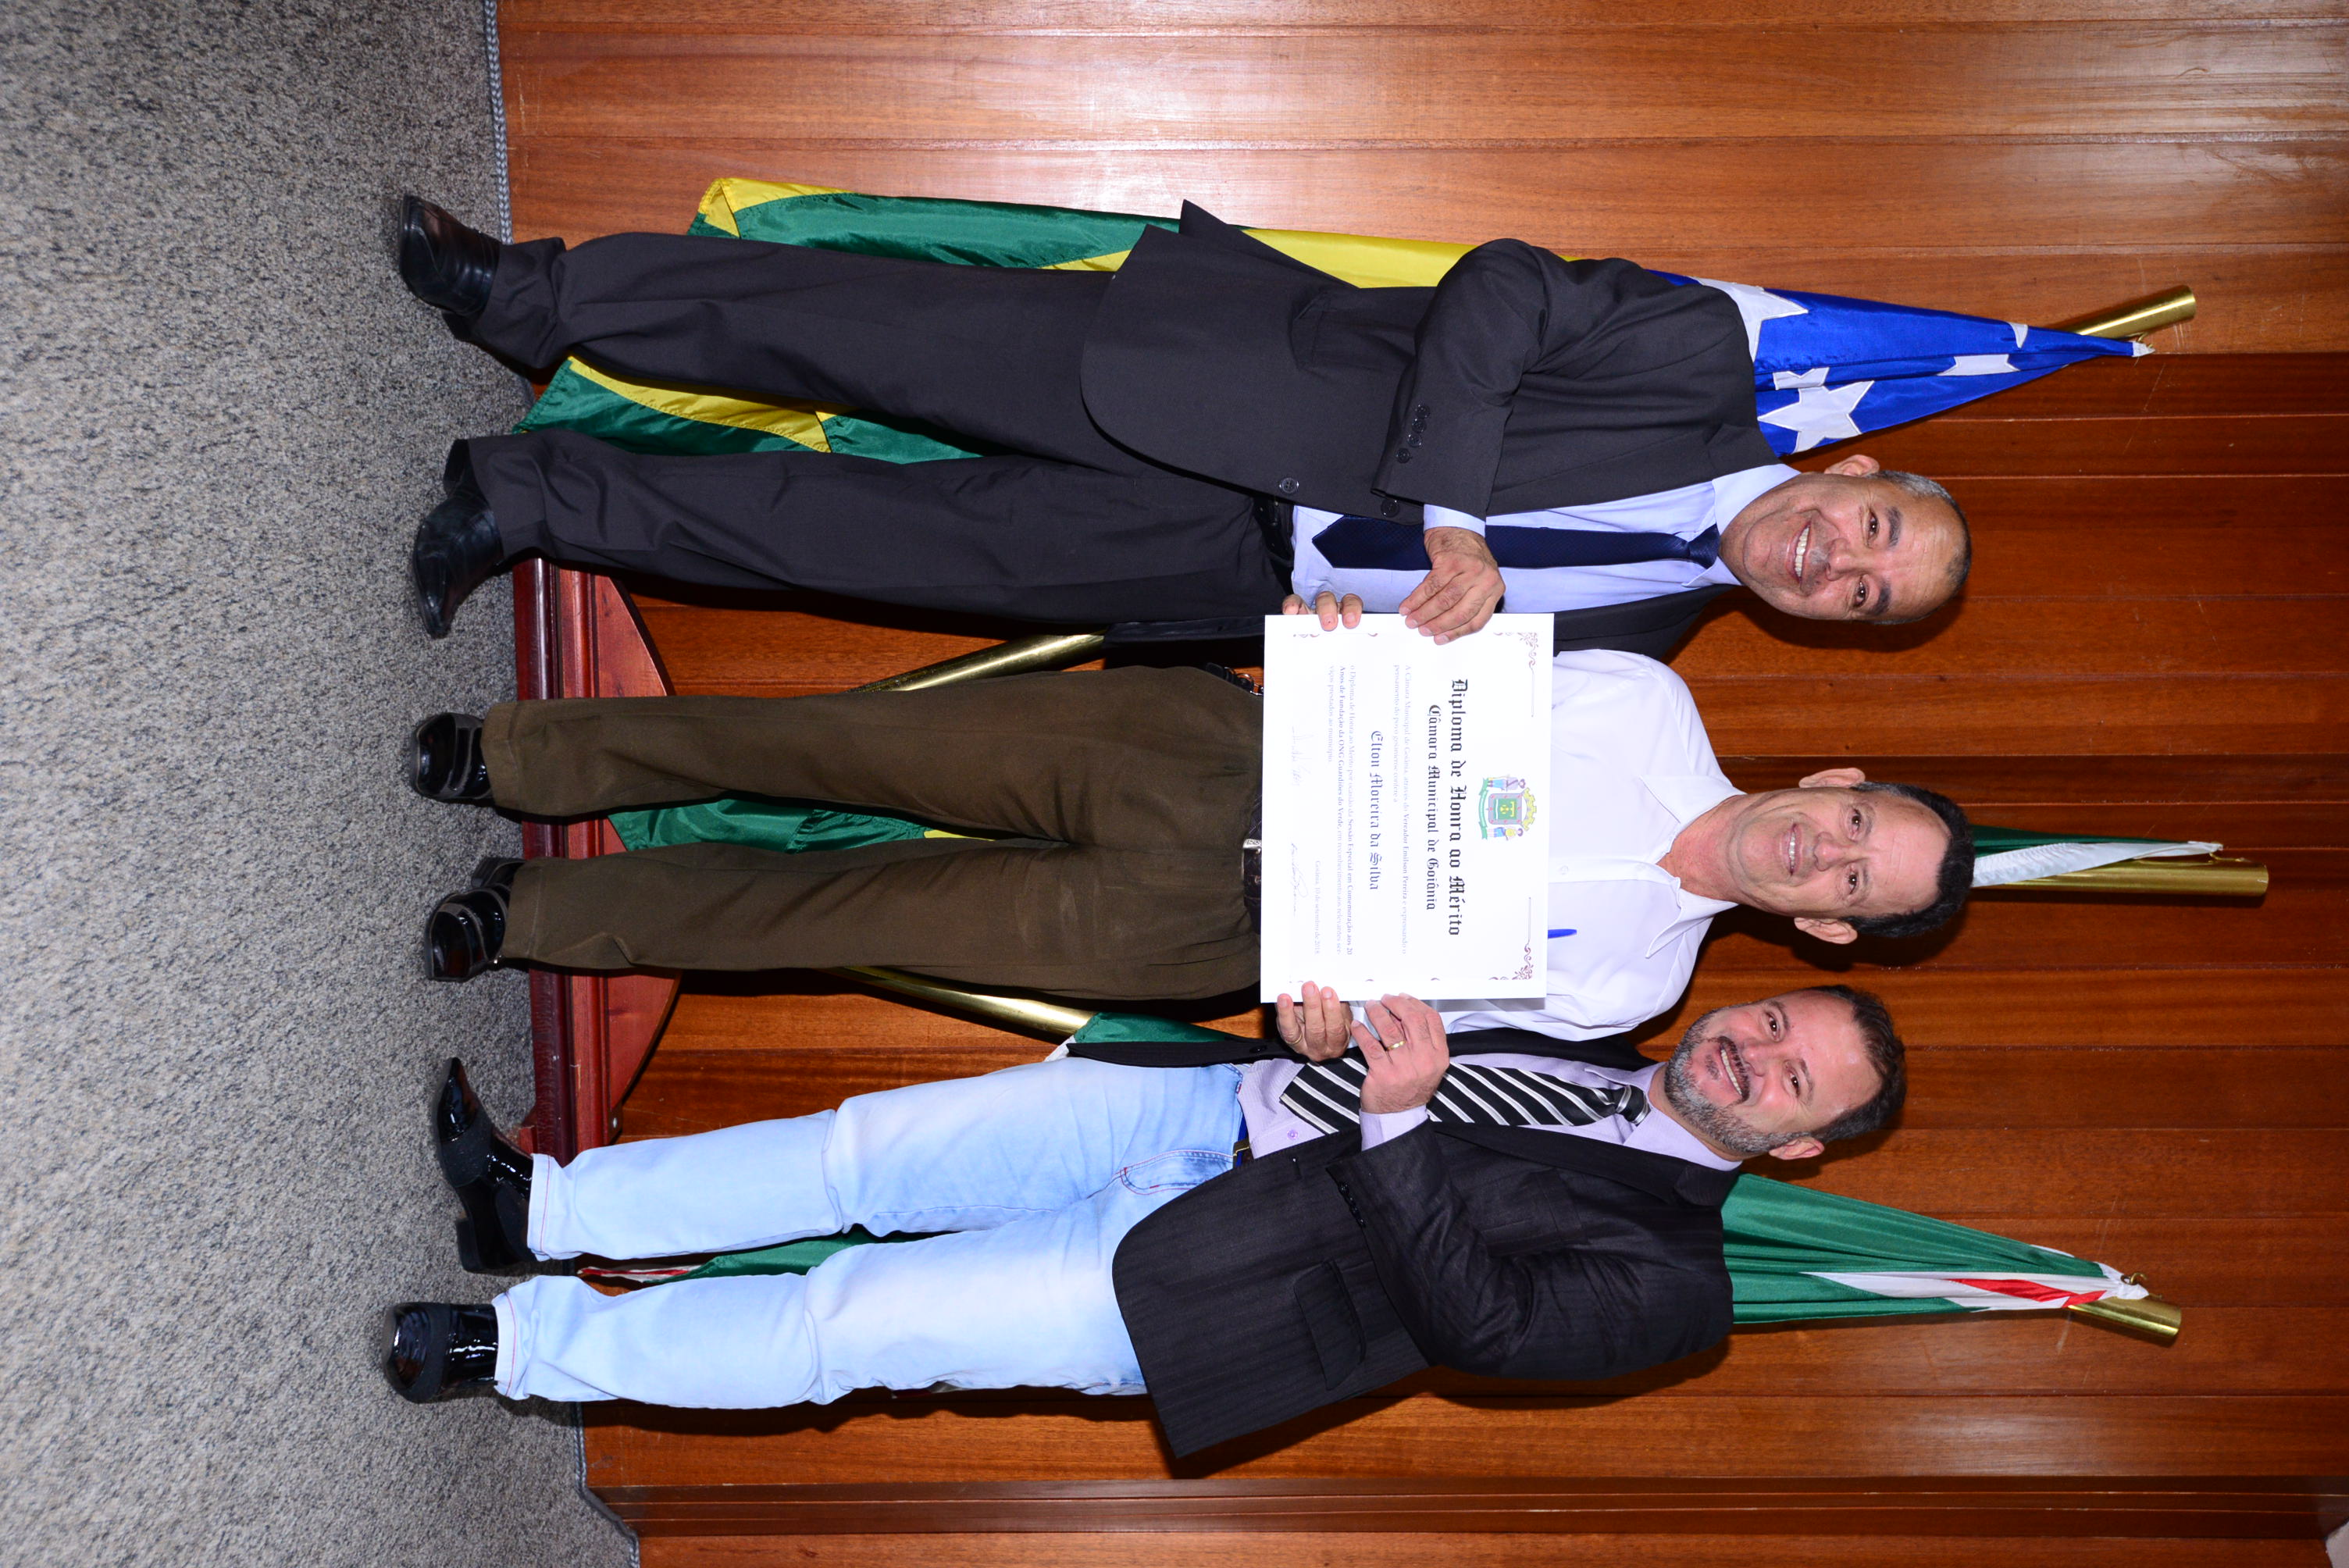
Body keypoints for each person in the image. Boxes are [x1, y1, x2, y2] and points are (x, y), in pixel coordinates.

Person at [394, 198, 1970, 657]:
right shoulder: (1697, 359)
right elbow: (1499, 289)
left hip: (1210, 571)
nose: (1834, 563)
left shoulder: (1643, 646)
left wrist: (1354, 654)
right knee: (845, 324)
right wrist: (1453, 516)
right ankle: (527, 296)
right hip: (1211, 378)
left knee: (833, 540)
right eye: (1873, 530)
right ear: (1854, 468)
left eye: (1862, 596)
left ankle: (524, 502)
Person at [387, 985, 1906, 1456]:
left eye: (1789, 1079)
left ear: (1802, 1145)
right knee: (858, 1153)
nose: (1749, 1054)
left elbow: (1484, 1324)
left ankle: (518, 1348)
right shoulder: (1599, 1020)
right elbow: (1384, 1016)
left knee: (845, 1324)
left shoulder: (1681, 1289)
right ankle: (543, 1203)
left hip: (1202, 1283)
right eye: (1772, 1019)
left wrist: (1393, 1118)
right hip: (1187, 1103)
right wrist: (1322, 1014)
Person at [408, 651, 1973, 1039]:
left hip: (1209, 940)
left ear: (1829, 930)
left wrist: (1346, 1036)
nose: (1820, 852)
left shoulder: (1636, 989)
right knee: (839, 745)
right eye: (1855, 821)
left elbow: (1424, 1032)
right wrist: (1360, 630)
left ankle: (533, 911)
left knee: (841, 917)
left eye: (1853, 881)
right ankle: (525, 755)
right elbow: (1433, 659)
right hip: (1206, 751)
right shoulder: (1646, 701)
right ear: (1835, 776)